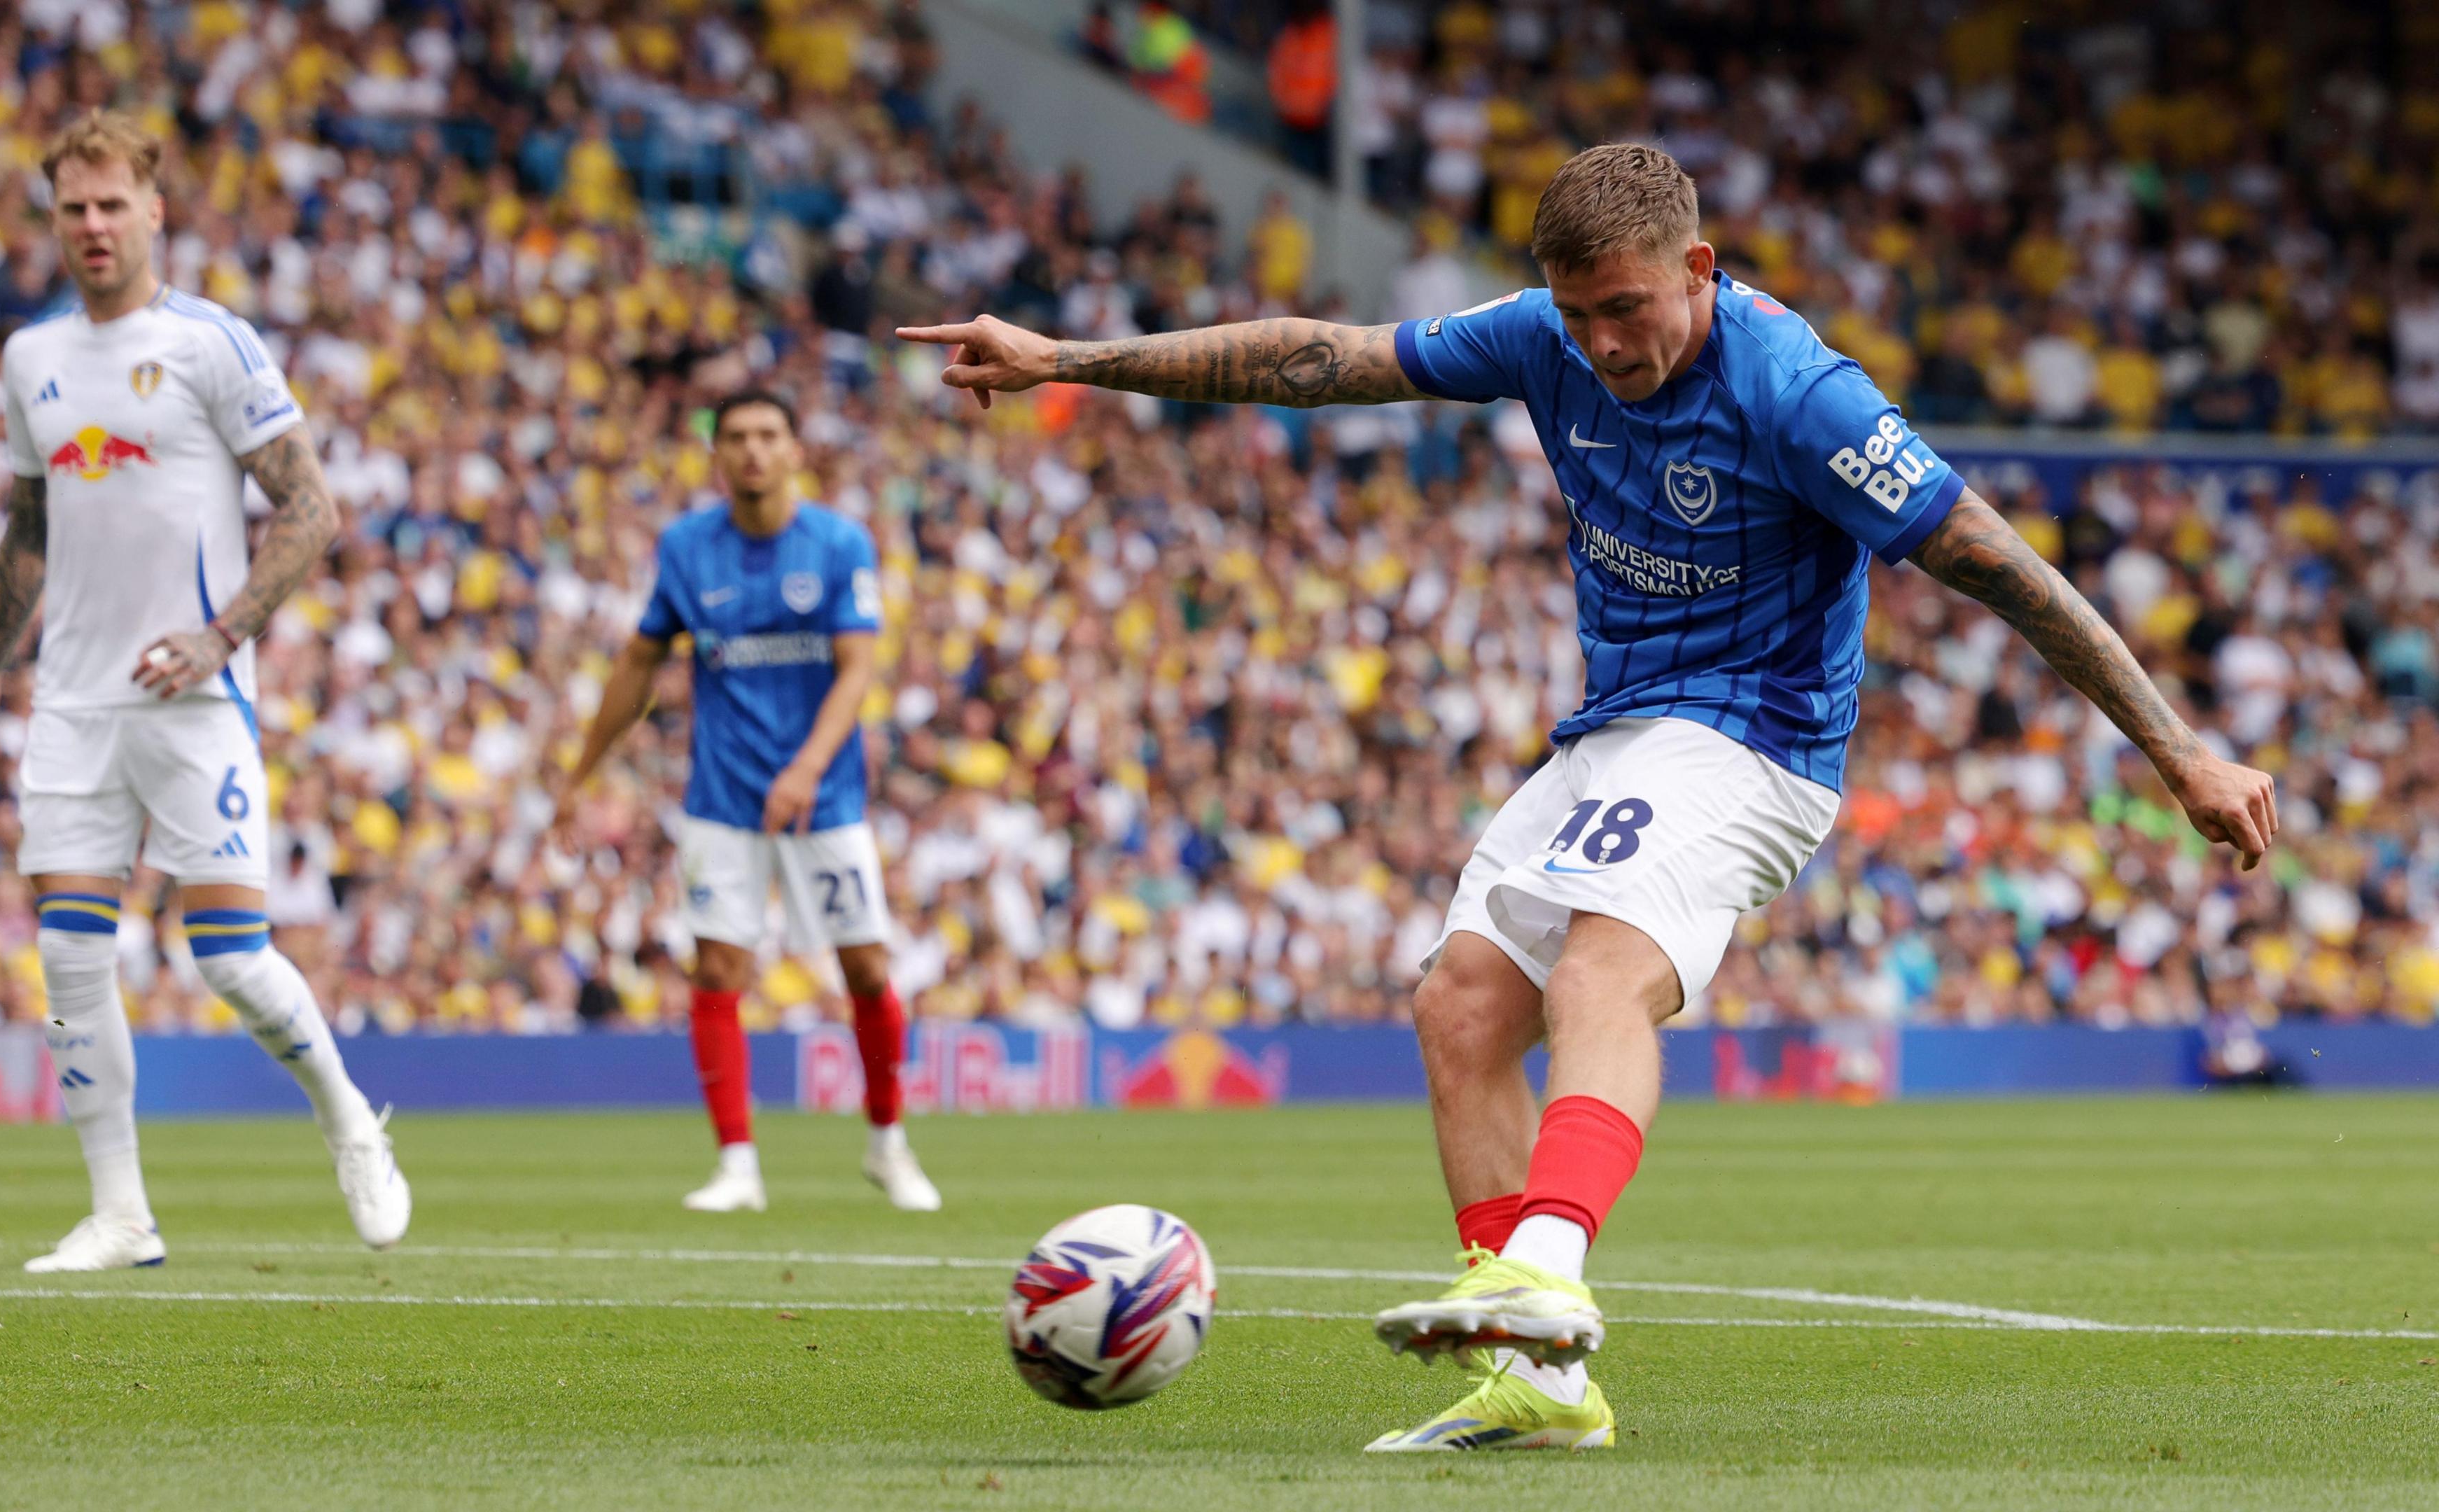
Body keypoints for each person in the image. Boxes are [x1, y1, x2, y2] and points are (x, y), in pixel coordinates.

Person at [901, 142, 2277, 1452]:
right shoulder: (1544, 332)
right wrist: (1069, 360)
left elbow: (1999, 566)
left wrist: (2181, 757)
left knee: (1599, 973)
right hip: (1618, 735)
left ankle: (1545, 1280)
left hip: (1756, 745)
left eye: (1628, 309)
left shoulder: (1801, 394)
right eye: (1581, 315)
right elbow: (1327, 357)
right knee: (1460, 1005)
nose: (1606, 345)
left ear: (1699, 266)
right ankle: (1531, 1384)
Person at [0, 111, 410, 1273]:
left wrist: (219, 636)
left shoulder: (213, 344)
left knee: (230, 954)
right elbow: (29, 527)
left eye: (111, 204)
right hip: (76, 702)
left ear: (154, 211)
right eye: (72, 207)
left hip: (194, 698)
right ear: (54, 218)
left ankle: (349, 1121)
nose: (92, 225)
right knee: (73, 951)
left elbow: (309, 510)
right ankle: (122, 1214)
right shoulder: (31, 359)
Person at [550, 390, 940, 1214]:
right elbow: (637, 663)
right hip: (723, 795)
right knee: (720, 966)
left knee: (865, 966)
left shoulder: (839, 543)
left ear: (796, 449)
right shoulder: (687, 548)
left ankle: (888, 1142)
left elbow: (859, 669)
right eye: (736, 438)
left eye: (769, 435)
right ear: (716, 455)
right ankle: (737, 1163)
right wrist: (581, 772)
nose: (753, 451)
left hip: (823, 797)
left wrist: (805, 767)